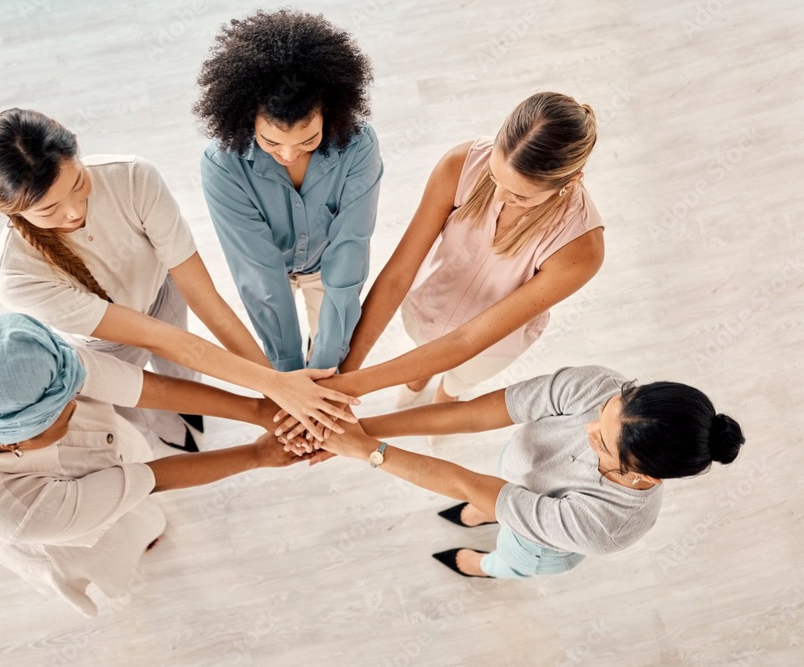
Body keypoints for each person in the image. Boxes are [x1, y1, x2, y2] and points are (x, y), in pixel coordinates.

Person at [0, 108, 356, 448]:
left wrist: (277, 384)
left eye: (78, 184)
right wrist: (275, 388)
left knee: (185, 375)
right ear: (12, 210)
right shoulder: (17, 277)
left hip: (163, 293)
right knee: (136, 406)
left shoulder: (131, 177)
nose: (75, 211)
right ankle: (163, 438)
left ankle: (191, 425)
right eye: (49, 209)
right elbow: (159, 340)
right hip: (100, 343)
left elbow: (205, 300)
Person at [0, 314, 307, 616]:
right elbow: (153, 478)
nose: (79, 405)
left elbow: (145, 389)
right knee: (117, 549)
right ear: (16, 439)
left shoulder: (32, 368)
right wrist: (258, 455)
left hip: (110, 452)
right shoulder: (19, 511)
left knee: (138, 508)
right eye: (64, 416)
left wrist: (259, 410)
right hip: (67, 534)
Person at [312, 365, 745, 579]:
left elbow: (469, 483)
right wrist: (358, 429)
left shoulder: (608, 525)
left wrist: (369, 451)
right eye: (604, 413)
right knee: (494, 499)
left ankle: (484, 566)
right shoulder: (598, 387)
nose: (586, 427)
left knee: (508, 556)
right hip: (515, 481)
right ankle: (487, 513)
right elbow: (471, 415)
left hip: (538, 545)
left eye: (600, 440)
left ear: (644, 475)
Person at [338, 91, 603, 406]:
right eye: (494, 175)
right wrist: (343, 377)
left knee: (458, 380)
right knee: (417, 356)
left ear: (571, 181)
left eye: (521, 196)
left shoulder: (580, 249)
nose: (500, 197)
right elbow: (398, 274)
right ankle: (415, 382)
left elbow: (468, 341)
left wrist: (351, 387)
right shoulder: (461, 164)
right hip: (429, 306)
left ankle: (447, 393)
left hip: (488, 346)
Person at [195, 9, 383, 373]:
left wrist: (325, 366)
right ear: (247, 117)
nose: (288, 154)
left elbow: (350, 250)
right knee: (284, 343)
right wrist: (289, 377)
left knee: (330, 345)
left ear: (330, 112)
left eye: (308, 140)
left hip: (328, 269)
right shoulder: (222, 165)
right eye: (270, 141)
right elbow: (260, 275)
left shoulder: (358, 146)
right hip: (272, 272)